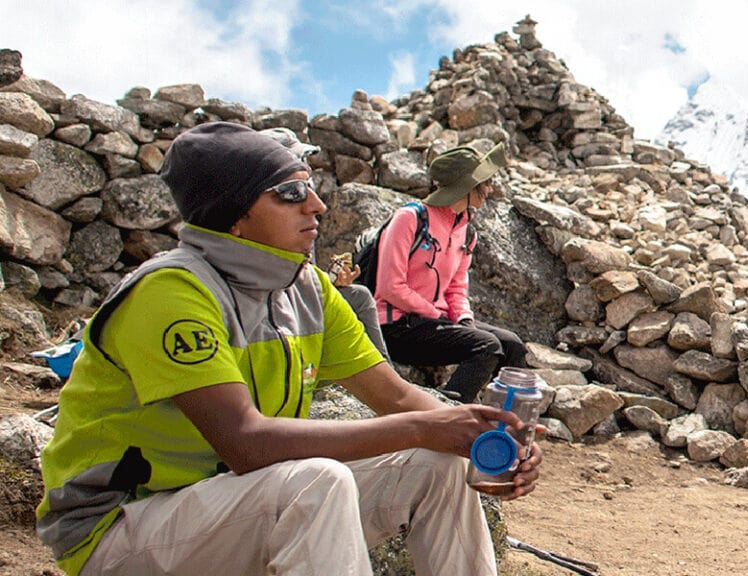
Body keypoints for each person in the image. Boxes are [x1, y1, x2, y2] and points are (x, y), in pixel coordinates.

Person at [34, 122, 539, 576]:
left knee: (440, 464)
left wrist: (479, 440)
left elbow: (402, 399)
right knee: (315, 483)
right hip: (122, 525)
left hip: (235, 503)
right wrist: (423, 428)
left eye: (312, 188)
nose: (316, 205)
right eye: (291, 192)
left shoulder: (309, 289)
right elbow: (246, 443)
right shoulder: (172, 292)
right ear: (234, 215)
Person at [374, 143, 527, 402]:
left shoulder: (466, 231)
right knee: (486, 347)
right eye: (485, 182)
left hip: (436, 322)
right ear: (466, 185)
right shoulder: (410, 219)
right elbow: (390, 286)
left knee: (511, 345)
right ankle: (445, 422)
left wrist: (464, 319)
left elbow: (457, 288)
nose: (489, 189)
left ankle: (503, 430)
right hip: (398, 327)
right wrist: (435, 314)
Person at [260, 127, 388, 360]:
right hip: (282, 306)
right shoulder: (276, 211)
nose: (307, 167)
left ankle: (384, 375)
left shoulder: (296, 202)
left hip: (296, 297)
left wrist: (332, 280)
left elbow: (302, 271)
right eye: (298, 160)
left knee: (356, 295)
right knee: (359, 299)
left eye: (305, 159)